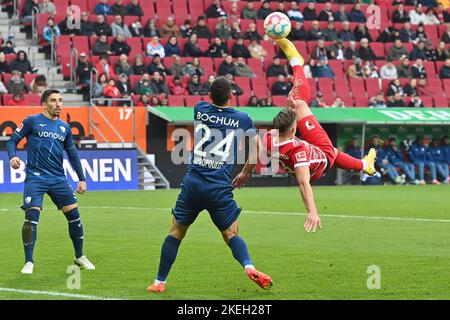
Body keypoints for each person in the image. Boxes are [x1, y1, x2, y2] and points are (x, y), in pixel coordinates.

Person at [234, 38, 376, 234]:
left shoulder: (268, 138)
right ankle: (296, 63)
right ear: (294, 130)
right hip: (321, 158)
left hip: (300, 155)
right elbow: (303, 183)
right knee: (301, 104)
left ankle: (364, 165)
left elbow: (255, 151)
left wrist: (245, 172)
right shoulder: (298, 150)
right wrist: (313, 211)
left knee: (298, 108)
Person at [147, 77, 273, 293]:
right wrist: (245, 172)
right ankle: (248, 266)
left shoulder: (200, 109)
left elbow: (212, 105)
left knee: (176, 231)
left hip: (194, 183)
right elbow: (258, 148)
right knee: (231, 233)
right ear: (232, 96)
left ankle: (159, 282)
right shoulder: (242, 119)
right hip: (219, 188)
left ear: (209, 96)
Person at [6, 90, 95, 275]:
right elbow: (12, 141)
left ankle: (79, 256)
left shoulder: (65, 127)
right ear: (44, 104)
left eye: (60, 101)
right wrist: (12, 157)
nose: (58, 104)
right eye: (53, 101)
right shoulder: (32, 121)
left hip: (58, 179)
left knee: (75, 216)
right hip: (35, 177)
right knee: (31, 218)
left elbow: (73, 154)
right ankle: (29, 261)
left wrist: (82, 178)